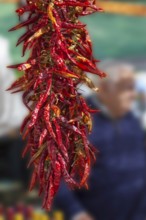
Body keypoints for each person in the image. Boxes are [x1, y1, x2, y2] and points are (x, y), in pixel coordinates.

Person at [54, 61, 146, 220]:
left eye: (133, 87)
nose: (133, 94)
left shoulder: (131, 120)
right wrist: (76, 212)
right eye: (126, 87)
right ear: (103, 89)